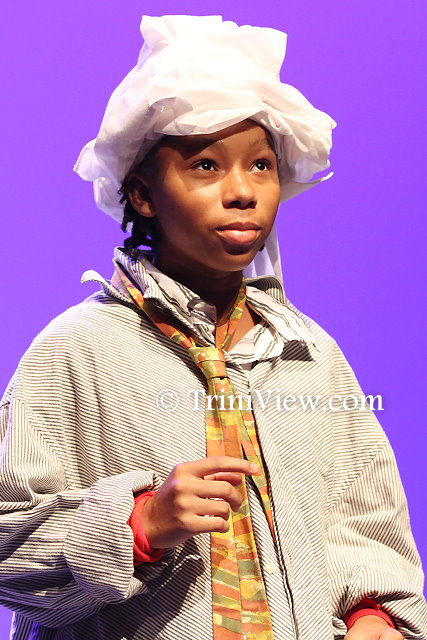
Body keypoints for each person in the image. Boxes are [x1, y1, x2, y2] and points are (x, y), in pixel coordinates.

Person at [0, 14, 425, 640]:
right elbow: (8, 552)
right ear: (143, 194)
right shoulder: (77, 350)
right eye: (205, 166)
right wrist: (140, 524)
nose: (243, 191)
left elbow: (365, 524)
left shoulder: (309, 356)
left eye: (261, 165)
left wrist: (374, 614)